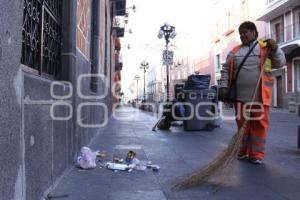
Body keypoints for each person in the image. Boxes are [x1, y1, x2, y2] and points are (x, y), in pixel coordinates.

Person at [218, 21, 286, 164]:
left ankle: (256, 155)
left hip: (260, 97)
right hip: (240, 97)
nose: (242, 35)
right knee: (242, 126)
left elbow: (280, 63)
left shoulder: (265, 49)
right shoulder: (235, 52)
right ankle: (242, 151)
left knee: (259, 126)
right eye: (240, 33)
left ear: (254, 32)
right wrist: (223, 87)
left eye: (245, 32)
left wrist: (276, 49)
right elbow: (224, 70)